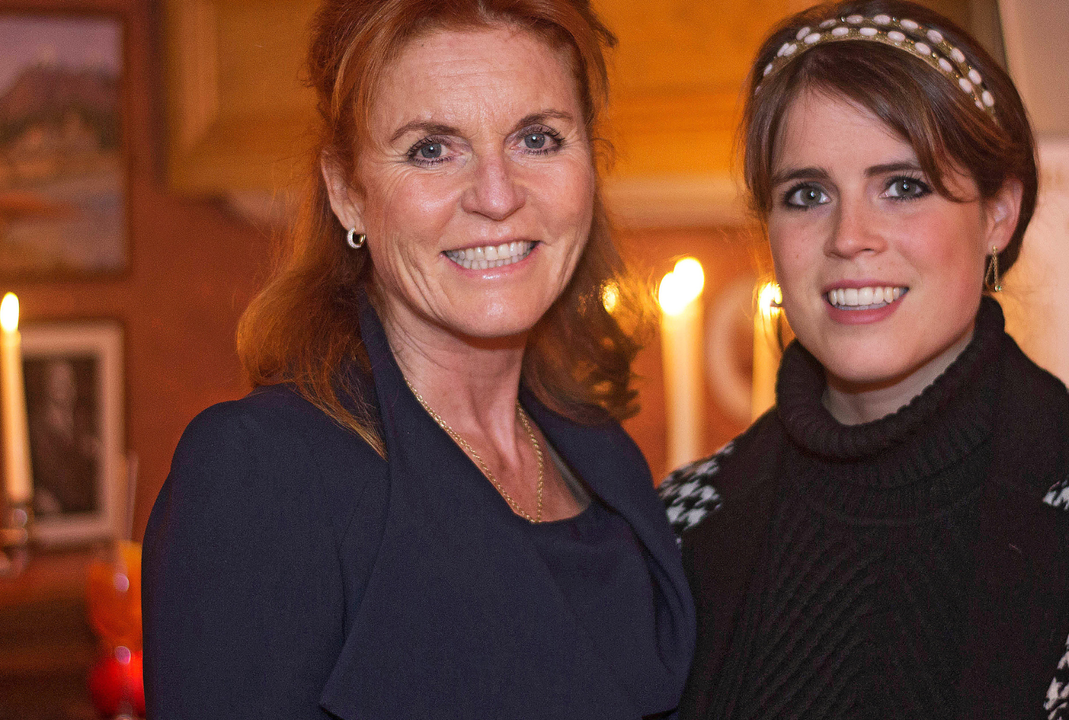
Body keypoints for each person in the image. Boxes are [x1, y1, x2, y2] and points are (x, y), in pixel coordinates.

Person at [659, 2, 1069, 718]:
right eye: (807, 194)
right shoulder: (676, 531)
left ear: (998, 213)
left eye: (903, 186)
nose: (849, 237)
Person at [142, 1, 694, 717]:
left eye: (537, 138)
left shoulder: (605, 457)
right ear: (347, 194)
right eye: (432, 149)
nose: (496, 197)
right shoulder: (264, 475)